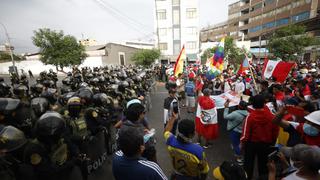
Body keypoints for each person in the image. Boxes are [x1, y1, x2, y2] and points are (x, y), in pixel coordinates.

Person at [240, 95, 279, 180]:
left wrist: (242, 144)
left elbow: (245, 134)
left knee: (248, 164)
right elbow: (276, 131)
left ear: (253, 104)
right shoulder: (271, 116)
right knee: (264, 165)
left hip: (251, 144)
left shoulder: (250, 117)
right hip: (266, 144)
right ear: (264, 103)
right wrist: (272, 142)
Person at [164, 114, 209, 180]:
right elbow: (205, 171)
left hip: (176, 176)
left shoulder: (170, 140)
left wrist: (173, 117)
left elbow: (166, 131)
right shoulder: (198, 150)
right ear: (192, 134)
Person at [224, 100, 248, 165]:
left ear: (239, 106)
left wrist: (226, 108)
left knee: (236, 144)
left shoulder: (235, 113)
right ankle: (240, 154)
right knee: (241, 143)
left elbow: (225, 116)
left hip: (235, 131)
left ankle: (239, 158)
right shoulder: (248, 114)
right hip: (243, 131)